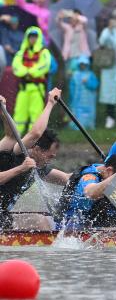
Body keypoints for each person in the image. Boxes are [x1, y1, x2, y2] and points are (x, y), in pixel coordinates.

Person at [0, 91, 68, 230]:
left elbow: (68, 178)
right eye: (49, 156)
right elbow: (35, 133)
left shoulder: (38, 167)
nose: (50, 160)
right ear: (36, 149)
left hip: (2, 215)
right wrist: (50, 103)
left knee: (40, 222)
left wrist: (95, 173)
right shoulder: (15, 152)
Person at [11, 27, 51, 134]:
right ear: (27, 38)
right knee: (19, 114)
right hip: (23, 88)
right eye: (31, 37)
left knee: (36, 114)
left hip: (37, 88)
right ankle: (15, 137)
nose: (33, 39)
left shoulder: (44, 52)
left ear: (39, 38)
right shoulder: (21, 53)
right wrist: (25, 72)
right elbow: (15, 66)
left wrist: (31, 72)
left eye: (35, 37)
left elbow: (45, 65)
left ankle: (33, 139)